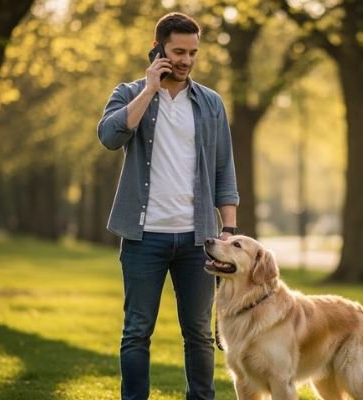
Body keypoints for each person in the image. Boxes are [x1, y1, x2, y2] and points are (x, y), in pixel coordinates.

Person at [97, 12, 239, 400]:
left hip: (199, 240)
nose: (187, 60)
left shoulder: (210, 103)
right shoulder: (128, 93)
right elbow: (109, 137)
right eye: (179, 51)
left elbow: (224, 169)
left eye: (193, 52)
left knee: (198, 334)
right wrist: (148, 90)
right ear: (159, 48)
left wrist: (228, 230)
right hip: (144, 238)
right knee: (137, 331)